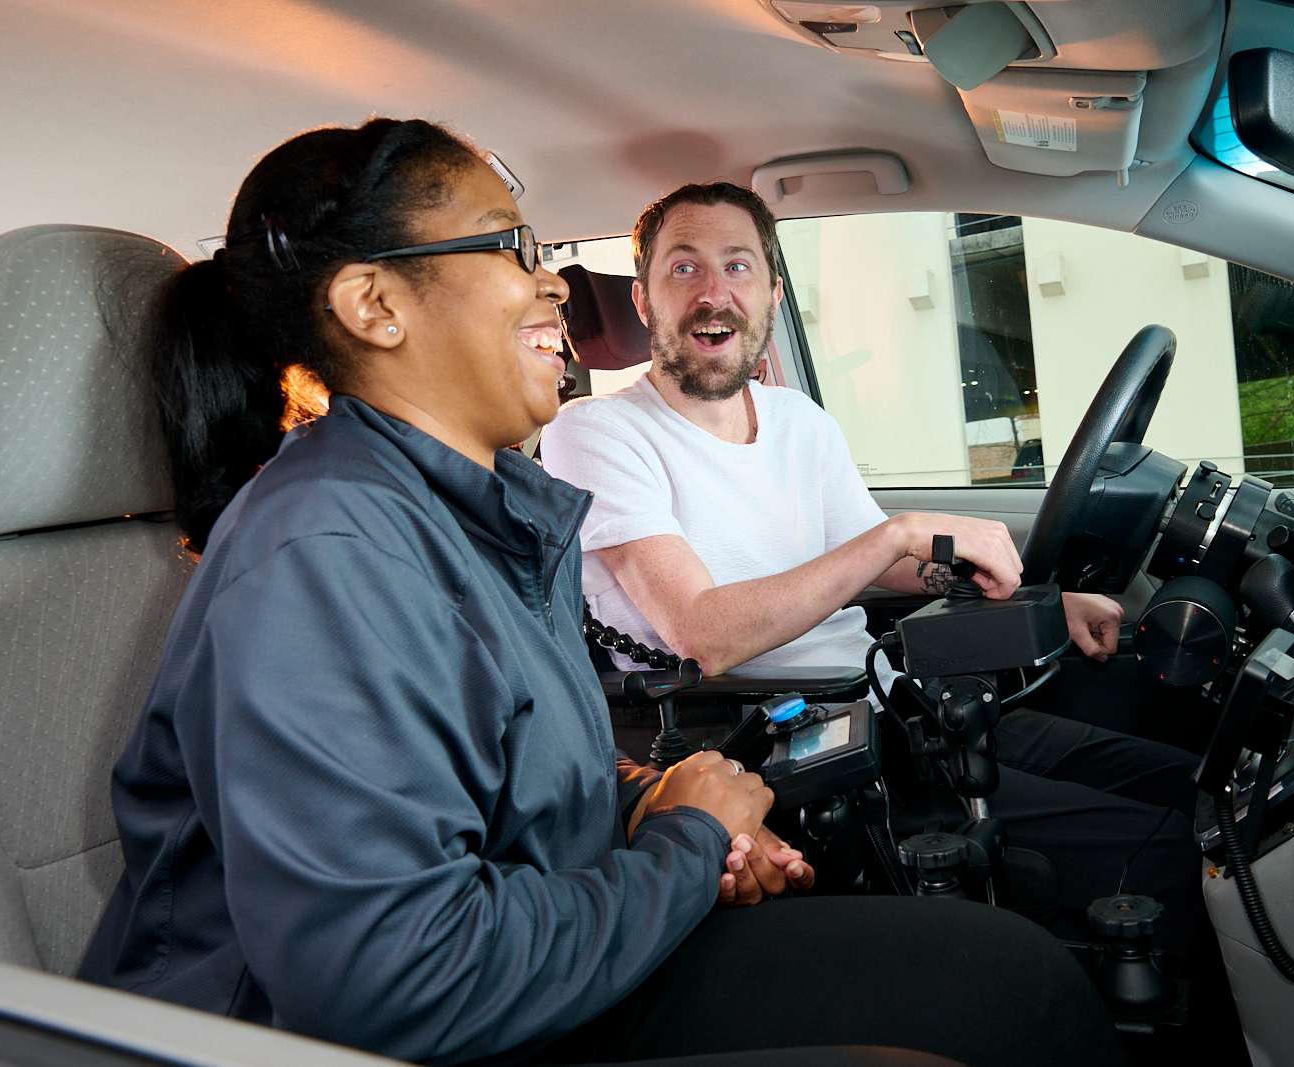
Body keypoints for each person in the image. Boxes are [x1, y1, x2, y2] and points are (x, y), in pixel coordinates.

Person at [78, 119, 1121, 1067]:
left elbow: (493, 781)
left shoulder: (470, 511)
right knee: (1008, 1003)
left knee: (1004, 978)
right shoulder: (322, 549)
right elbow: (393, 982)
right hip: (392, 1036)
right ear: (375, 304)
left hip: (537, 952)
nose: (550, 287)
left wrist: (648, 800)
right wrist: (686, 843)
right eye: (508, 247)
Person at [539, 181, 1203, 951]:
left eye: (738, 267)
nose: (714, 294)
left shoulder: (798, 421)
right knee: (1163, 855)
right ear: (646, 300)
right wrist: (899, 535)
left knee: (1187, 788)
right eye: (683, 270)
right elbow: (701, 632)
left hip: (894, 705)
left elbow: (879, 569)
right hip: (767, 751)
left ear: (771, 295)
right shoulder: (595, 433)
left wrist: (1045, 605)